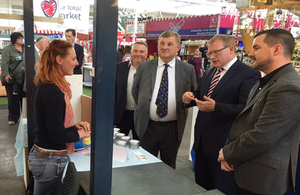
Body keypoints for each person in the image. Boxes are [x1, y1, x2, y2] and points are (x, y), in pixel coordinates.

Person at [218, 29, 300, 195]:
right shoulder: (266, 80)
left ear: (276, 49)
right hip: (247, 171)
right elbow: (245, 122)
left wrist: (228, 153)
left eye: (256, 48)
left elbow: (262, 136)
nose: (250, 53)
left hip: (263, 180)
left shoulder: (288, 87)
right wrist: (230, 153)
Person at [182, 34, 261, 194]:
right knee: (202, 187)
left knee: (222, 188)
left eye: (216, 52)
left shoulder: (248, 74)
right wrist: (188, 98)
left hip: (224, 145)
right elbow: (201, 94)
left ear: (231, 49)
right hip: (202, 144)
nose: (211, 57)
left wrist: (216, 107)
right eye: (209, 53)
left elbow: (247, 110)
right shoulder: (210, 72)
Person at [28, 40, 91, 195]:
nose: (76, 63)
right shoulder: (54, 91)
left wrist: (73, 127)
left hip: (46, 157)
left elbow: (51, 124)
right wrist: (80, 134)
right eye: (73, 58)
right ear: (59, 60)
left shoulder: (47, 84)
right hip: (49, 159)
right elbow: (56, 135)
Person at [132, 30, 197, 169]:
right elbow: (135, 90)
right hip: (147, 126)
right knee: (145, 166)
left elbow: (193, 94)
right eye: (162, 43)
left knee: (168, 166)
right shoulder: (144, 67)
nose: (165, 47)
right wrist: (144, 107)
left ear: (178, 47)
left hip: (172, 129)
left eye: (169, 44)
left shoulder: (188, 69)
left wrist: (188, 99)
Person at [114, 41, 148, 140]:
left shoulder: (151, 71)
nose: (138, 54)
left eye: (142, 52)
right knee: (118, 146)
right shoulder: (119, 68)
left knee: (140, 147)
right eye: (136, 51)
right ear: (131, 52)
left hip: (141, 117)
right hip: (122, 115)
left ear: (146, 54)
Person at [0, 32, 25, 125]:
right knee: (13, 99)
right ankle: (13, 118)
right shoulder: (8, 50)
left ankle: (25, 116)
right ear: (15, 40)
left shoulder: (26, 48)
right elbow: (4, 63)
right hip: (12, 78)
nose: (22, 40)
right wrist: (6, 74)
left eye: (22, 38)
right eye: (20, 38)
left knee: (25, 97)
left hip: (24, 78)